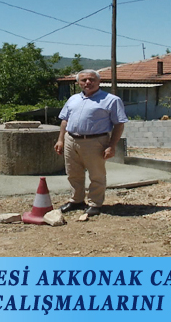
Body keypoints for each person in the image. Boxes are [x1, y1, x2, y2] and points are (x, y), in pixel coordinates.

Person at [54, 69, 128, 216]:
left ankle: (95, 203)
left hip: (95, 141)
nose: (88, 82)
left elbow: (119, 124)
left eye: (92, 79)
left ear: (99, 81)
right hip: (71, 139)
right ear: (78, 83)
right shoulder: (73, 99)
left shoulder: (111, 100)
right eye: (84, 80)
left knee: (96, 175)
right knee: (73, 173)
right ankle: (76, 200)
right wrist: (60, 140)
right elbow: (64, 121)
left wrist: (112, 146)